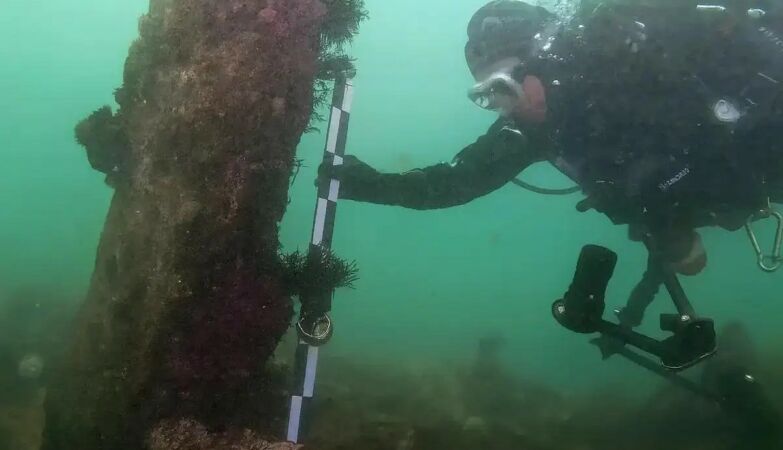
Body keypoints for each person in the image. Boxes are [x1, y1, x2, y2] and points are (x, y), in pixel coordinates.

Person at [319, 0, 783, 324]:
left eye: (501, 86)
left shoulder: (629, 54)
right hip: (741, 192)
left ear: (539, 59)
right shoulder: (536, 130)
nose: (502, 106)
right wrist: (370, 184)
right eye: (485, 97)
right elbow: (458, 183)